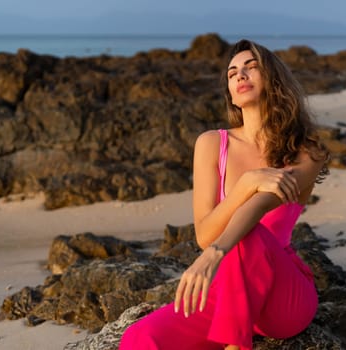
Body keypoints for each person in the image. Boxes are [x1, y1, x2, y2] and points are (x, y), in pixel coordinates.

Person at [119, 39, 329, 350]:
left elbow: (258, 207)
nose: (240, 76)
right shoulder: (211, 144)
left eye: (251, 67)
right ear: (230, 91)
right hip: (228, 291)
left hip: (283, 299)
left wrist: (216, 254)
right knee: (139, 338)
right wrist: (246, 184)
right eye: (232, 73)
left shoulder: (307, 151)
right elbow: (204, 234)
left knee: (248, 233)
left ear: (273, 79)